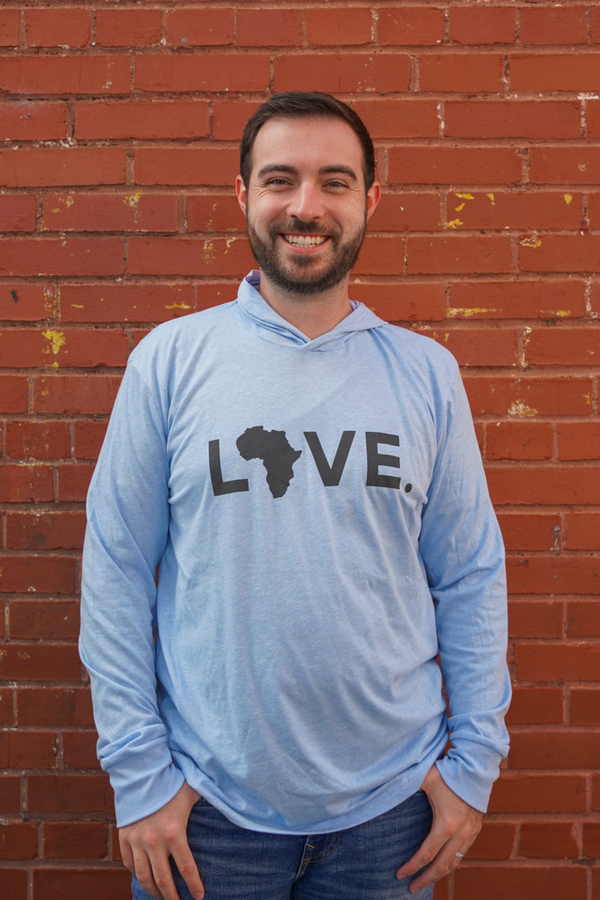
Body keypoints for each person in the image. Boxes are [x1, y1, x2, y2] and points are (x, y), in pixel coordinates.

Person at [80, 92, 511, 900]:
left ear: (370, 200)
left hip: (392, 815)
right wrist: (139, 775)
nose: (305, 207)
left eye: (334, 182)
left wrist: (475, 765)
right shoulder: (169, 362)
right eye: (280, 180)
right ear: (243, 194)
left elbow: (469, 573)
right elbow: (116, 570)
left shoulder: (425, 374)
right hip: (206, 814)